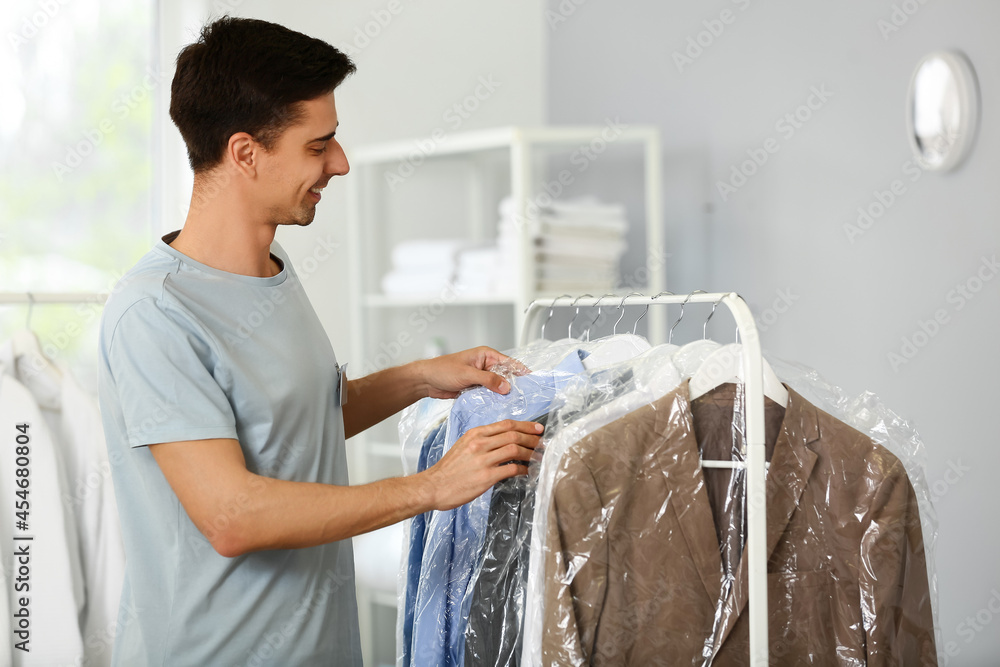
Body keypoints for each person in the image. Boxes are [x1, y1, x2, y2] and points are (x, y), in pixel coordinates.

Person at [96, 16, 542, 666]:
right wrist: (433, 486)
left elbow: (301, 418)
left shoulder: (273, 271)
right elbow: (233, 514)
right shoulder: (154, 313)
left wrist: (422, 376)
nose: (340, 162)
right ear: (245, 153)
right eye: (318, 145)